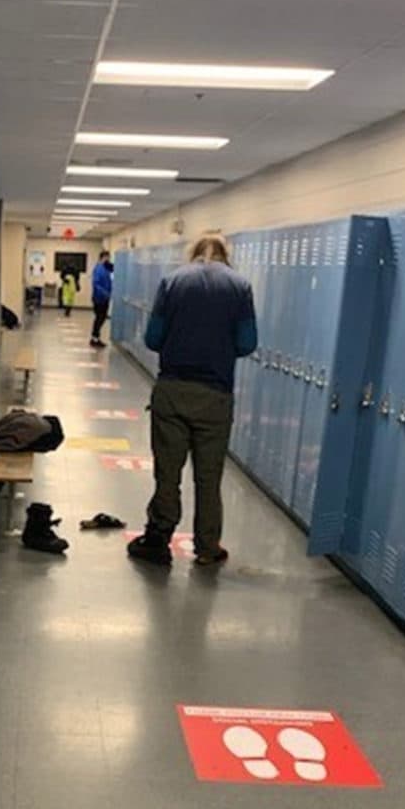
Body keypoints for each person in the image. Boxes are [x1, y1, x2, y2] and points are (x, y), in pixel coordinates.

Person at [127, 233, 257, 567]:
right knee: (208, 478)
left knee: (167, 474)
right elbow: (247, 343)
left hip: (172, 392)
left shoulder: (172, 282)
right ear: (226, 255)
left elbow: (153, 338)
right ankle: (208, 548)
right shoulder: (240, 287)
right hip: (215, 396)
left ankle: (158, 539)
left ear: (193, 253)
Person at [89, 250, 113, 347]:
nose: (108, 260)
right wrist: (105, 293)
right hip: (99, 298)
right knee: (100, 318)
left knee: (101, 318)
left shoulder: (105, 268)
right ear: (103, 257)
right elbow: (96, 284)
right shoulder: (99, 269)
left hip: (104, 297)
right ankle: (94, 338)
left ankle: (95, 337)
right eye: (107, 257)